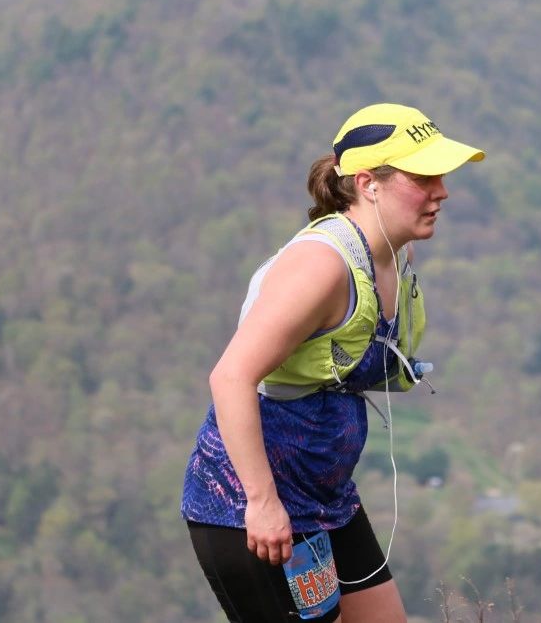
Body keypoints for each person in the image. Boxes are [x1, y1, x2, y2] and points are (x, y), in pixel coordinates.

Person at [181, 103, 485, 622]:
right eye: (423, 176)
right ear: (369, 183)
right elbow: (229, 377)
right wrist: (262, 503)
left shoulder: (391, 252)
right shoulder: (322, 266)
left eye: (443, 175)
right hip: (253, 510)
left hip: (327, 496)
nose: (442, 191)